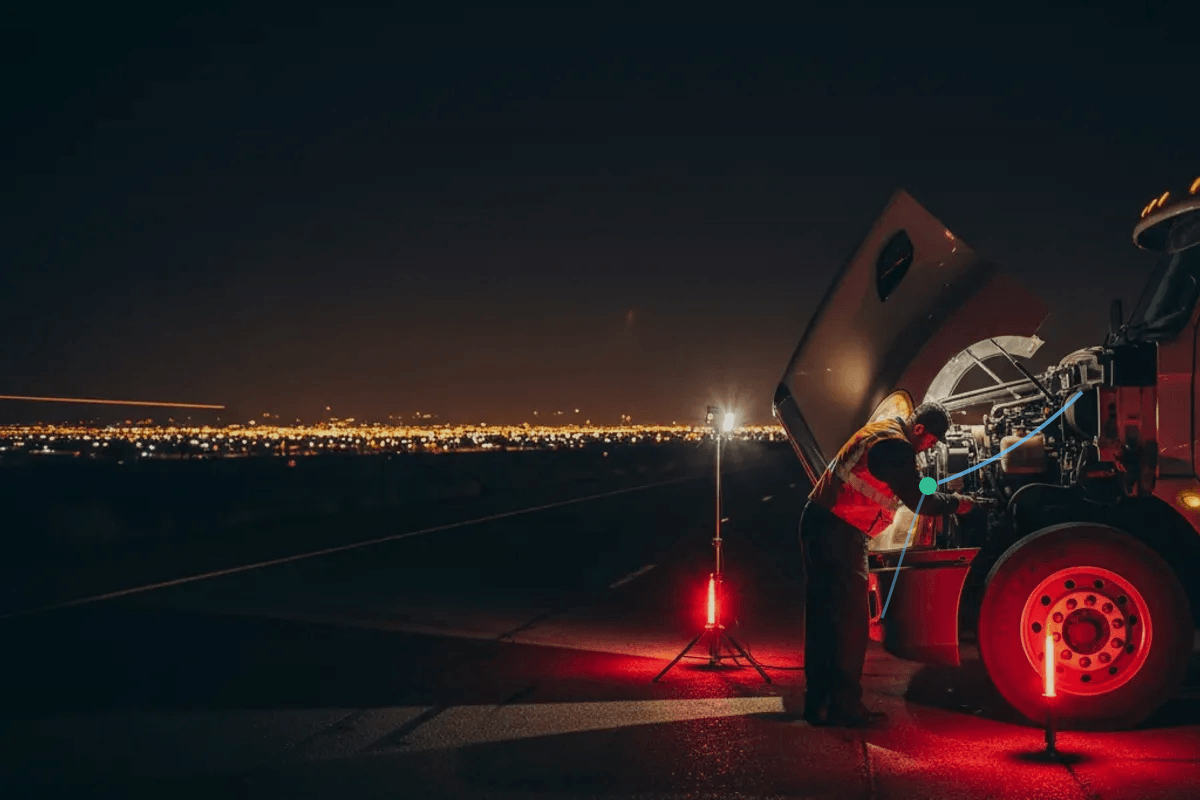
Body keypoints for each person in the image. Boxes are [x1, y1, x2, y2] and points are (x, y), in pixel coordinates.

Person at [800, 399, 974, 727]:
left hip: (822, 522)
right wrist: (957, 503)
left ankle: (817, 702)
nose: (928, 448)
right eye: (930, 441)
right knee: (850, 623)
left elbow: (909, 483)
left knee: (824, 618)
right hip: (840, 530)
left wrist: (930, 488)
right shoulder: (896, 448)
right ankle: (844, 707)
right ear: (919, 429)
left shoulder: (883, 433)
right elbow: (920, 501)